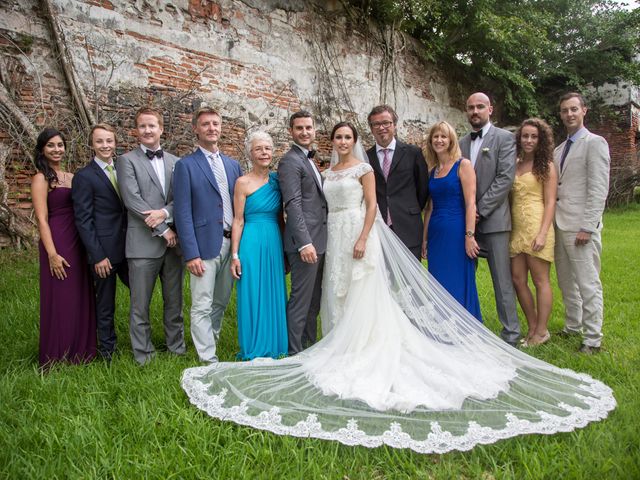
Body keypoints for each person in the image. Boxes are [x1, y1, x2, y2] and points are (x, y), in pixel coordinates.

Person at [181, 121, 615, 454]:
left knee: (363, 292)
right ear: (333, 141)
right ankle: (340, 343)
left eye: (349, 135)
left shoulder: (365, 169)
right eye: (339, 136)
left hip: (358, 236)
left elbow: (373, 205)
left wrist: (362, 237)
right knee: (337, 295)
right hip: (331, 233)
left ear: (355, 138)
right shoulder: (324, 169)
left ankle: (367, 345)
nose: (343, 141)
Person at [173, 107, 242, 364]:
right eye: (205, 124)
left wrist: (238, 248)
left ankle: (211, 337)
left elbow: (239, 208)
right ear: (196, 129)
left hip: (230, 243)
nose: (212, 128)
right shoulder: (186, 166)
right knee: (202, 303)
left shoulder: (233, 165)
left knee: (221, 301)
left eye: (215, 123)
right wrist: (191, 253)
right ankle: (207, 357)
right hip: (203, 246)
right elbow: (182, 212)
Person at [117, 107, 185, 364]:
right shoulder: (126, 161)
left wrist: (166, 214)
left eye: (152, 126)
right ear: (136, 131)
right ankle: (144, 354)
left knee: (174, 301)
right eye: (142, 126)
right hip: (143, 243)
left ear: (161, 129)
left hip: (173, 246)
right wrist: (163, 228)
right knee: (140, 305)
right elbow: (132, 200)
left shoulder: (176, 162)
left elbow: (181, 199)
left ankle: (176, 348)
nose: (147, 130)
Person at [31, 128, 96, 366]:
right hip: (57, 240)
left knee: (80, 294)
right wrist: (51, 254)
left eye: (60, 145)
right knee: (61, 297)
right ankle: (57, 354)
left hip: (79, 241)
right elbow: (41, 219)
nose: (56, 149)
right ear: (42, 149)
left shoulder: (72, 176)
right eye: (51, 145)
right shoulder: (41, 178)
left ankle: (82, 351)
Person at [459, 92, 520, 346]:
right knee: (464, 277)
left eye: (480, 107)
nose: (475, 111)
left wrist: (479, 210)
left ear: (490, 110)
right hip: (465, 224)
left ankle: (511, 334)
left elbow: (505, 179)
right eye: (471, 107)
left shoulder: (505, 139)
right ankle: (463, 326)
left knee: (502, 280)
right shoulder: (461, 142)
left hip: (494, 221)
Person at [554, 93, 610, 354]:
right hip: (559, 223)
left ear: (584, 110)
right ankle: (573, 325)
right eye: (565, 111)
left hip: (581, 226)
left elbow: (599, 188)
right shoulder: (558, 149)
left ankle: (592, 339)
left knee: (587, 282)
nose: (569, 114)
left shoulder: (595, 143)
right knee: (566, 281)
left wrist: (588, 226)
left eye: (574, 109)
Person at [72, 124, 129, 361]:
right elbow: (83, 220)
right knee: (105, 305)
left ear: (115, 143)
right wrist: (97, 255)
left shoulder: (124, 170)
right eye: (99, 142)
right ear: (91, 145)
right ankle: (107, 351)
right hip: (104, 253)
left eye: (109, 141)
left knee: (140, 295)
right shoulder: (84, 177)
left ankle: (140, 342)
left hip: (128, 247)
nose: (105, 146)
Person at [230, 132, 288, 359]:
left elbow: (281, 219)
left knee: (274, 290)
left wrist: (284, 251)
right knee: (253, 290)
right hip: (251, 240)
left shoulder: (277, 181)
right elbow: (238, 220)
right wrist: (235, 254)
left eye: (267, 148)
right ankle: (254, 345)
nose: (264, 152)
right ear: (250, 154)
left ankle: (276, 344)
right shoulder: (242, 182)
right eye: (258, 149)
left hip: (274, 239)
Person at [277, 111, 327, 354]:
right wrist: (305, 243)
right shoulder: (289, 161)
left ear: (314, 130)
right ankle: (294, 352)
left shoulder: (309, 160)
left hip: (320, 241)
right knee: (301, 301)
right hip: (305, 244)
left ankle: (309, 347)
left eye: (308, 127)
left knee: (313, 302)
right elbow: (292, 205)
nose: (305, 132)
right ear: (291, 131)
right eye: (299, 128)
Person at [422, 121, 482, 320]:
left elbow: (471, 203)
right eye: (435, 137)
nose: (439, 140)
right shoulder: (433, 170)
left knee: (457, 277)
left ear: (451, 140)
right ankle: (442, 324)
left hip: (457, 230)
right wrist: (424, 239)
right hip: (436, 232)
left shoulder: (462, 165)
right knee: (438, 279)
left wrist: (469, 236)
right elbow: (429, 208)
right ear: (431, 141)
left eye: (443, 137)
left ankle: (463, 323)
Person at [509, 118, 557, 347]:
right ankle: (532, 326)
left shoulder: (546, 166)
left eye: (533, 136)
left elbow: (550, 203)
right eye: (525, 136)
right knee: (517, 279)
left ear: (541, 140)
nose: (528, 140)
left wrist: (542, 233)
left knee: (540, 280)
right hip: (516, 228)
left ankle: (542, 331)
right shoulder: (514, 164)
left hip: (538, 226)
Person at [365, 105, 429, 260]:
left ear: (394, 125)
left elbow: (423, 189)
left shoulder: (413, 153)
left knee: (409, 281)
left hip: (408, 225)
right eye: (376, 124)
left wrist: (409, 209)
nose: (382, 128)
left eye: (386, 123)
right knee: (382, 280)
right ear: (371, 129)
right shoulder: (366, 158)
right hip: (378, 227)